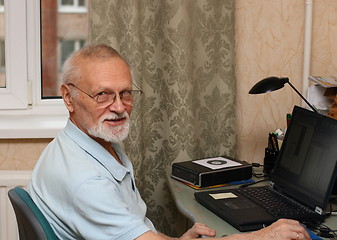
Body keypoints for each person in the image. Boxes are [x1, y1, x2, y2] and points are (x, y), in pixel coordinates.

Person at [28, 43, 311, 240]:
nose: (119, 107)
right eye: (102, 94)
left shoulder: (92, 141)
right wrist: (261, 236)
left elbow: (132, 229)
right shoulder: (86, 181)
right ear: (68, 97)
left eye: (125, 93)